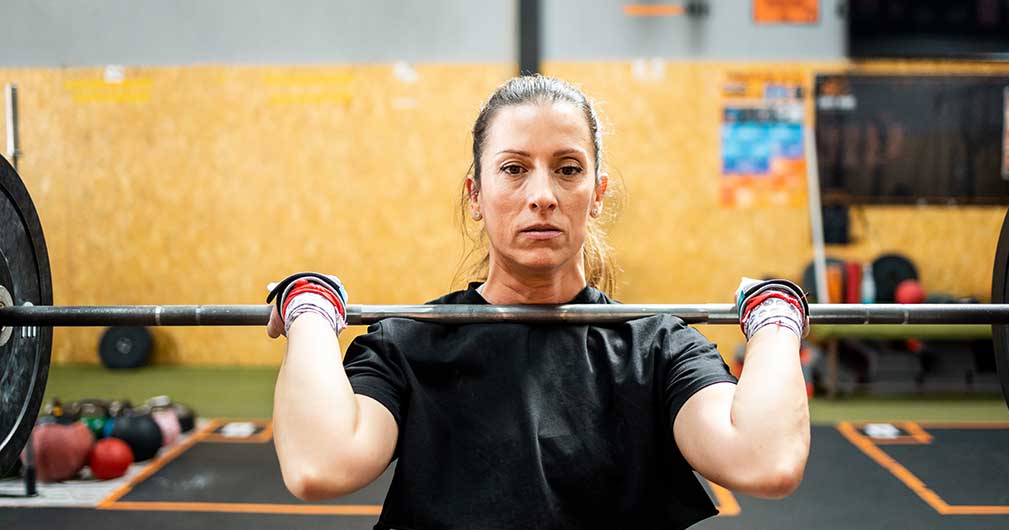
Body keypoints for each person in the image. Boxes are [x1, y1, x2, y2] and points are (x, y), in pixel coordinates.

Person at [266, 75, 810, 530]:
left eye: (568, 169)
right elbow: (320, 466)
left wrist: (776, 316)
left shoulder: (659, 348)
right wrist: (310, 309)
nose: (543, 194)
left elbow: (765, 461)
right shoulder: (407, 345)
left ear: (597, 195)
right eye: (513, 168)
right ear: (475, 195)